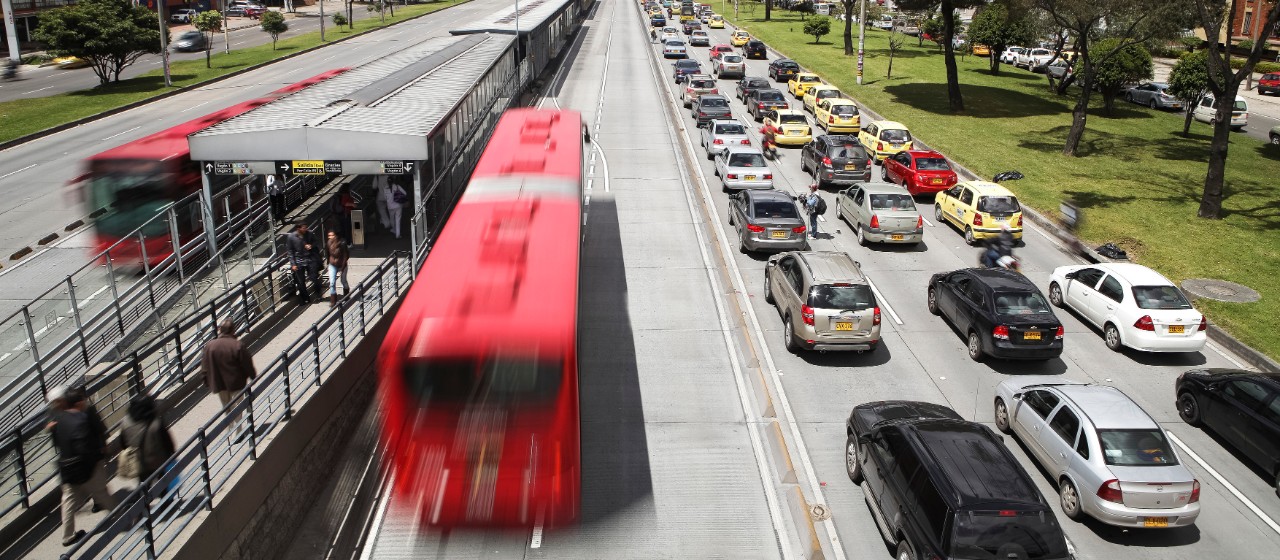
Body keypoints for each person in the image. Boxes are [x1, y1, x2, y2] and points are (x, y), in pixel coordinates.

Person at [51, 385, 117, 546]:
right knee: (101, 492)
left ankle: (67, 536)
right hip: (87, 467)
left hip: (67, 468)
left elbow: (57, 442)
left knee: (68, 501)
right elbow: (87, 445)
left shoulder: (58, 419)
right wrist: (97, 457)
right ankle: (121, 517)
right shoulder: (81, 418)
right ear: (78, 402)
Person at [201, 319, 258, 435]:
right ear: (233, 330)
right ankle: (238, 433)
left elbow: (204, 367)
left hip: (219, 384)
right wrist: (253, 376)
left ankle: (230, 430)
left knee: (226, 408)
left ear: (220, 330)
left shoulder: (210, 346)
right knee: (238, 407)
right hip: (236, 383)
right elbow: (247, 363)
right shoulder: (237, 345)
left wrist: (206, 381)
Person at [120, 393, 176, 486]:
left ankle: (143, 498)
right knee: (163, 483)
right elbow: (167, 442)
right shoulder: (156, 423)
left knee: (144, 484)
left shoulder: (126, 422)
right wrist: (172, 454)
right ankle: (165, 498)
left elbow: (123, 442)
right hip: (157, 461)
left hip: (138, 461)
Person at [286, 221, 321, 304]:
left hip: (310, 258)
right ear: (298, 228)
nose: (306, 229)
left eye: (306, 227)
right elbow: (290, 251)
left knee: (314, 277)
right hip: (298, 260)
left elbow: (316, 241)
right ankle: (305, 298)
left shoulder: (310, 233)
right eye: (303, 228)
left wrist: (311, 245)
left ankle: (318, 293)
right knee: (300, 282)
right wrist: (293, 264)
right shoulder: (291, 237)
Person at [326, 230, 350, 307]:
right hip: (332, 264)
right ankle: (333, 300)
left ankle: (346, 296)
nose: (330, 237)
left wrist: (342, 267)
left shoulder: (342, 244)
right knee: (332, 282)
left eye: (331, 235)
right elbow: (327, 254)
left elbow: (346, 256)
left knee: (343, 281)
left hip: (342, 264)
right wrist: (328, 263)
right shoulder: (328, 243)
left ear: (336, 236)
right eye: (329, 236)